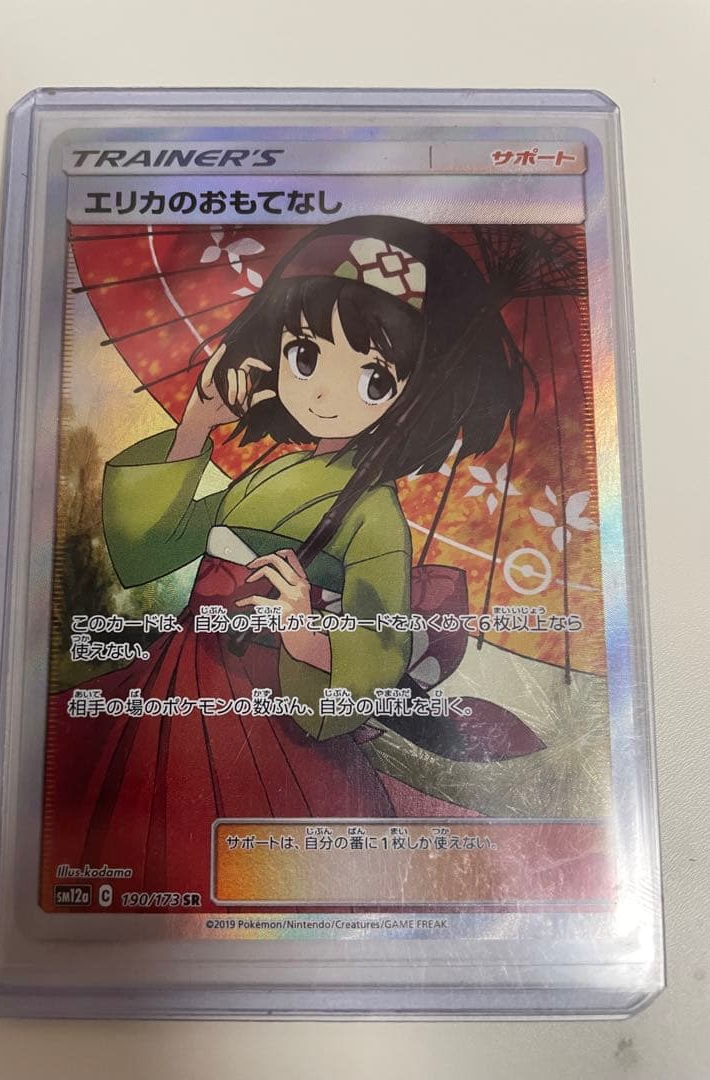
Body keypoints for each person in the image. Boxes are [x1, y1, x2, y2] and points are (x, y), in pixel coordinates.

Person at [41, 216, 537, 905]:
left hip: (268, 714)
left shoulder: (373, 514)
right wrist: (196, 424)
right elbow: (152, 547)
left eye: (373, 379)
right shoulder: (275, 470)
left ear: (416, 395)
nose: (325, 393)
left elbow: (378, 647)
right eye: (305, 356)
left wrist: (306, 629)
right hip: (184, 677)